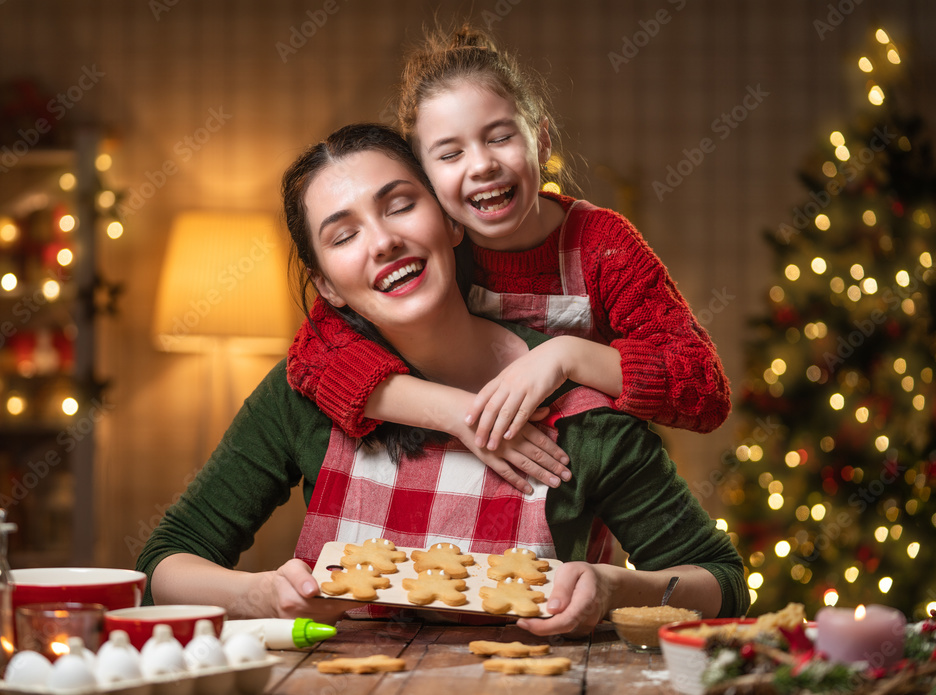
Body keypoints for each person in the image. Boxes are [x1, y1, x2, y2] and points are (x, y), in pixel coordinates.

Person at [137, 124, 748, 636]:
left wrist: (615, 588)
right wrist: (265, 595)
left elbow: (720, 583)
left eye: (400, 204)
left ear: (452, 221)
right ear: (325, 284)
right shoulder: (304, 395)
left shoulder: (578, 412)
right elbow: (163, 565)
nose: (383, 241)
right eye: (343, 235)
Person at [287, 26, 732, 495]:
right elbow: (313, 356)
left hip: (570, 486)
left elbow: (703, 388)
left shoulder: (604, 245)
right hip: (453, 474)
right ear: (425, 178)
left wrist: (567, 356)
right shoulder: (431, 251)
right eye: (451, 153)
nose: (481, 165)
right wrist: (457, 414)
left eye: (499, 138)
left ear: (540, 140)